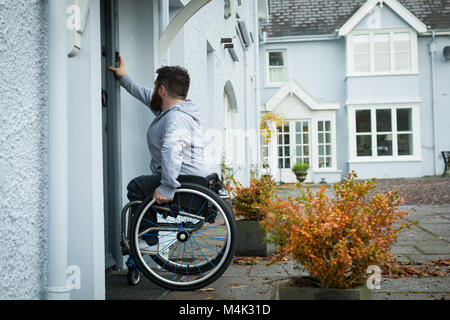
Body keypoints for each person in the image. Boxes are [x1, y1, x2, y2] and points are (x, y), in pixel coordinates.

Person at [108, 57, 213, 253]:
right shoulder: (179, 110)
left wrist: (167, 187)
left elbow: (172, 150)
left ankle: (149, 240)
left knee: (137, 186)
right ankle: (149, 235)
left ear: (162, 90)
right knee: (145, 186)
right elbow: (147, 95)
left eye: (156, 87)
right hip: (193, 179)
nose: (154, 91)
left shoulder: (175, 118)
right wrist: (124, 79)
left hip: (184, 181)